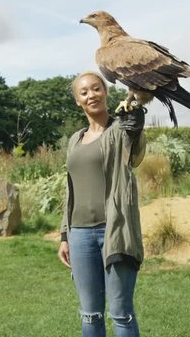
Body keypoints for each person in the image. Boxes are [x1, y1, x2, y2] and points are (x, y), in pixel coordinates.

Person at [57, 71, 146, 337]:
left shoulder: (119, 129)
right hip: (80, 235)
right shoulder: (75, 139)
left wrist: (136, 124)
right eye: (84, 92)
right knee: (90, 314)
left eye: (96, 89)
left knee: (121, 313)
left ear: (106, 92)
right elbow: (70, 189)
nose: (91, 95)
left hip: (115, 231)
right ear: (78, 101)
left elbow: (136, 150)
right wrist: (65, 235)